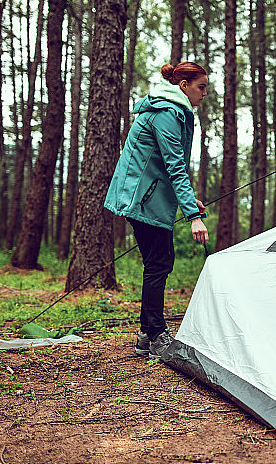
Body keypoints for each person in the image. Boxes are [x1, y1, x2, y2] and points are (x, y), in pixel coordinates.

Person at [104, 62, 210, 359]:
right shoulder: (166, 113)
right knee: (160, 263)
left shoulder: (168, 109)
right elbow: (175, 166)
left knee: (157, 263)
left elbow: (165, 167)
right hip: (142, 200)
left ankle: (145, 336)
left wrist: (190, 201)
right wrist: (193, 216)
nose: (204, 94)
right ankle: (156, 335)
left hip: (146, 197)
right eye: (200, 87)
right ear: (183, 85)